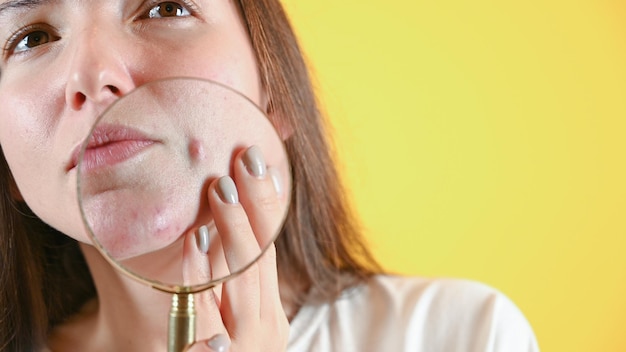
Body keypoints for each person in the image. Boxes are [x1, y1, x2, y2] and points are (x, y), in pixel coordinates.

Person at [0, 0, 540, 351]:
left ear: (273, 89)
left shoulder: (463, 334)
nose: (92, 75)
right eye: (31, 37)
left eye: (164, 7)